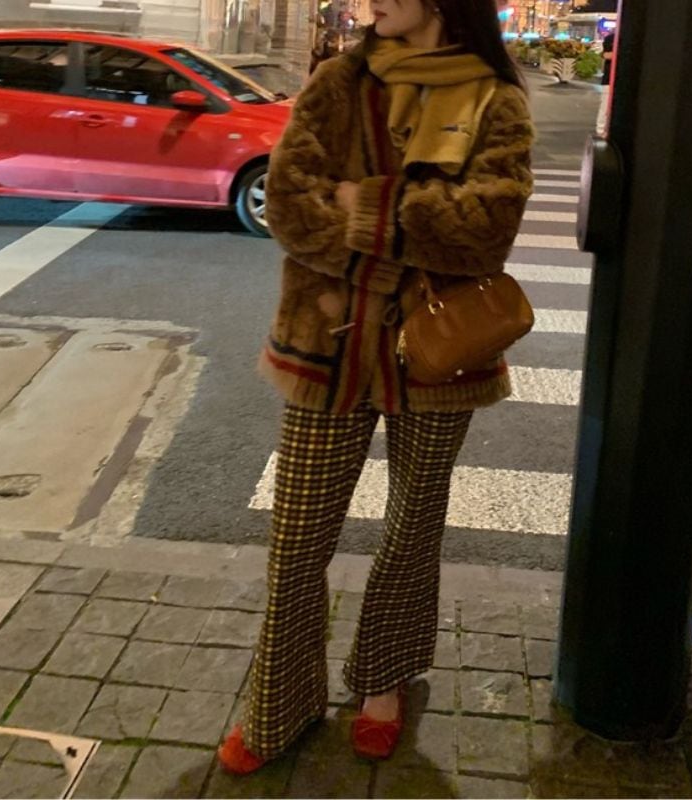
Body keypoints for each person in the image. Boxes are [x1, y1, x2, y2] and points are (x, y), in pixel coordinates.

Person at [218, 0, 535, 774]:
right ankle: (280, 703)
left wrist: (369, 204)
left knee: (412, 530)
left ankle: (383, 682)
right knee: (297, 539)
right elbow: (289, 204)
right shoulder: (338, 83)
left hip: (438, 352)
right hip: (325, 345)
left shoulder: (495, 97)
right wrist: (408, 227)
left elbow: (490, 225)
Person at [596, 30, 615, 136]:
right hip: (609, 79)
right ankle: (601, 129)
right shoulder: (610, 39)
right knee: (605, 105)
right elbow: (606, 55)